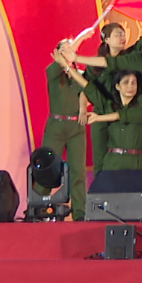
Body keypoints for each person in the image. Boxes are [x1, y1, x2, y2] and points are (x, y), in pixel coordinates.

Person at [42, 43, 90, 215]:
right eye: (64, 49)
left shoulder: (80, 75)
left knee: (78, 170)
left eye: (71, 49)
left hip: (76, 127)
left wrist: (83, 108)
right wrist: (79, 40)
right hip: (56, 125)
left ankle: (80, 212)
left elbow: (88, 90)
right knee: (47, 166)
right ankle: (38, 208)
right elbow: (57, 66)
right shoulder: (53, 72)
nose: (68, 52)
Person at [84, 23, 130, 159]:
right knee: (100, 157)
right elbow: (85, 87)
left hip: (123, 113)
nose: (122, 38)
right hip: (100, 113)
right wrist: (82, 108)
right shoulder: (95, 64)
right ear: (107, 39)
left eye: (123, 35)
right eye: (118, 34)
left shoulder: (129, 60)